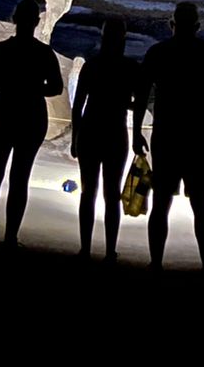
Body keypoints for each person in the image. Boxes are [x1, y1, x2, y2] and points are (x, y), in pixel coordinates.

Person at [132, 1, 204, 271]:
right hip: (198, 136)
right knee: (201, 204)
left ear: (172, 24)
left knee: (161, 202)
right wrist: (203, 94)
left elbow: (141, 94)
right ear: (197, 26)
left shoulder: (158, 52)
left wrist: (135, 132)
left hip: (165, 134)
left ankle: (156, 261)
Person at [0, 0, 63, 245]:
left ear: (14, 20)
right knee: (20, 179)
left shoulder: (1, 50)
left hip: (1, 114)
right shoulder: (43, 53)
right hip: (31, 118)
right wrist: (34, 88)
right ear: (36, 22)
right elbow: (56, 87)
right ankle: (10, 236)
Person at [71, 15, 140, 260]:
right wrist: (138, 133)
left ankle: (86, 248)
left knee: (88, 192)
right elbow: (139, 103)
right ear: (123, 37)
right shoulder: (130, 68)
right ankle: (110, 250)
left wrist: (74, 137)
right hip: (115, 132)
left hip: (90, 130)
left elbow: (78, 104)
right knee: (112, 193)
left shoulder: (92, 65)